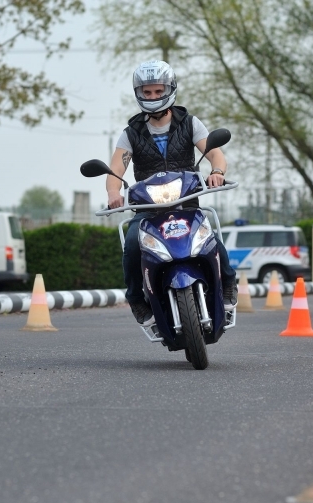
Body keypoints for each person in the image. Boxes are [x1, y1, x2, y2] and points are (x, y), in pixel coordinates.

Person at [106, 60, 237, 325]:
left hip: (186, 203)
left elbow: (215, 154)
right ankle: (136, 299)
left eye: (158, 91)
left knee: (209, 238)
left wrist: (217, 172)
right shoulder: (131, 133)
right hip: (147, 210)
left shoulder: (189, 123)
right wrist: (113, 192)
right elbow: (116, 169)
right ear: (138, 93)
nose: (153, 96)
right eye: (147, 92)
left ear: (170, 89)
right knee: (132, 243)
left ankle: (228, 283)